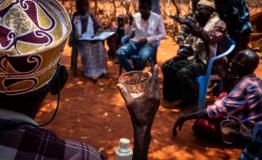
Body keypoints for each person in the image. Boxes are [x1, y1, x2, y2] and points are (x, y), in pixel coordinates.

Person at [173, 50, 262, 143]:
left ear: (242, 68)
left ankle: (239, 139)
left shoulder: (244, 85)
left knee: (200, 125)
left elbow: (216, 110)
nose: (231, 65)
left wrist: (185, 117)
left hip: (248, 128)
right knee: (223, 97)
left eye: (235, 63)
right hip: (252, 119)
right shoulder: (254, 80)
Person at [162, 0, 227, 106]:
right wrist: (179, 56)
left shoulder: (219, 24)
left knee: (183, 73)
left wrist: (190, 24)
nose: (197, 12)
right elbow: (193, 45)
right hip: (195, 58)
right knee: (167, 66)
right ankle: (173, 97)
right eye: (197, 9)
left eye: (200, 9)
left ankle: (192, 100)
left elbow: (210, 38)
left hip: (210, 62)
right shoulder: (200, 21)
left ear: (210, 11)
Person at [116, 0, 166, 72]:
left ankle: (135, 74)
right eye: (140, 8)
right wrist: (130, 24)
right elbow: (130, 33)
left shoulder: (157, 18)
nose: (142, 10)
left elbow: (163, 34)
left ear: (150, 8)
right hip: (135, 43)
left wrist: (148, 39)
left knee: (143, 57)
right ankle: (132, 73)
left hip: (149, 45)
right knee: (119, 53)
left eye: (144, 8)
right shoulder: (136, 17)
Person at [72, 0, 108, 81]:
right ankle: (90, 72)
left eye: (85, 6)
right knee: (87, 46)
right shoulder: (75, 16)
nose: (83, 8)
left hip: (92, 38)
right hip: (81, 41)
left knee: (99, 44)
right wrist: (76, 37)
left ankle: (102, 70)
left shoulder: (91, 15)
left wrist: (97, 33)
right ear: (78, 8)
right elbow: (72, 32)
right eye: (81, 6)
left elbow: (99, 27)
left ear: (87, 7)